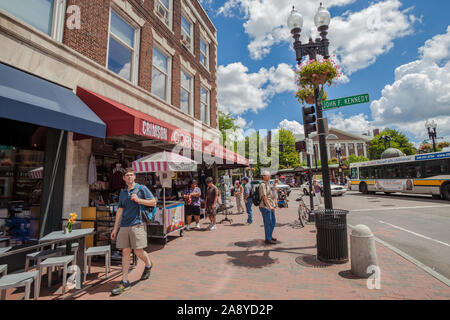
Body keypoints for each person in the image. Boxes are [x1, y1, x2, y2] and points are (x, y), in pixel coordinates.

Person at [110, 168, 156, 296]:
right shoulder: (123, 192)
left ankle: (148, 264)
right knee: (125, 252)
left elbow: (153, 202)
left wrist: (139, 200)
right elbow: (120, 210)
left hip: (138, 224)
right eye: (127, 175)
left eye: (131, 175)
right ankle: (124, 281)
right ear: (124, 178)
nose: (129, 177)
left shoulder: (142, 189)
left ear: (134, 177)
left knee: (138, 251)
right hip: (124, 225)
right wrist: (115, 228)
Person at [259, 171, 277, 244]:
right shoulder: (262, 185)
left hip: (270, 206)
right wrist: (269, 206)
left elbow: (270, 196)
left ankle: (269, 235)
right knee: (268, 223)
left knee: (273, 221)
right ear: (264, 176)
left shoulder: (268, 184)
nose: (270, 177)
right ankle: (268, 239)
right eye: (268, 175)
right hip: (265, 206)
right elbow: (264, 196)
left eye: (270, 175)